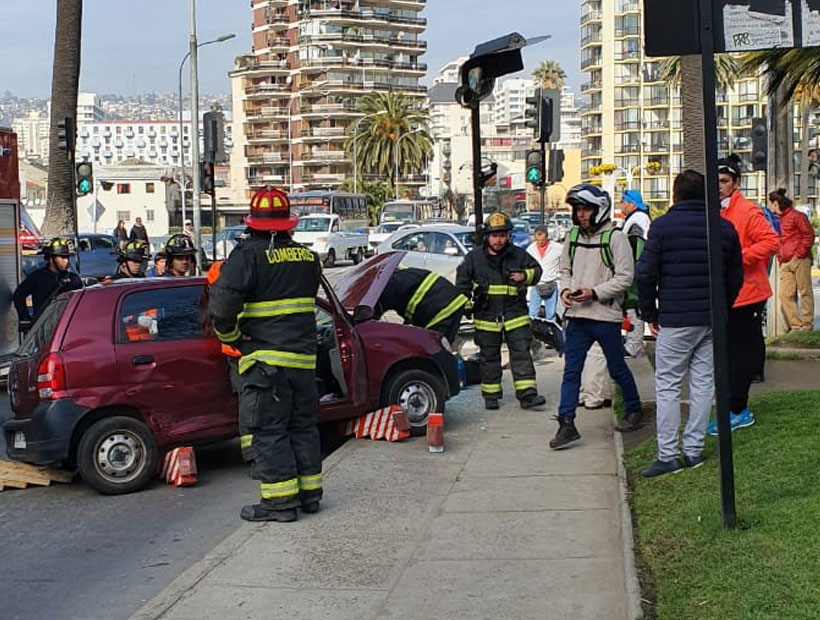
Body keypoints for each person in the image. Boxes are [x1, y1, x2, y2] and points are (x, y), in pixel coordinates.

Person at [209, 186, 323, 523]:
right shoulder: (308, 258)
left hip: (265, 363)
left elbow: (221, 306)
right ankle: (309, 496)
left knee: (268, 432)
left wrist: (234, 339)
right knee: (302, 428)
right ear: (289, 224)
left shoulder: (247, 258)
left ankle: (280, 504)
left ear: (252, 224)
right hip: (303, 363)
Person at [636, 170, 743, 477]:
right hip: (712, 319)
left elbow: (645, 275)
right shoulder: (724, 228)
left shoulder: (662, 227)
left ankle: (668, 455)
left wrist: (649, 314)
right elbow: (735, 276)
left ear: (675, 195)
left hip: (676, 318)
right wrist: (722, 307)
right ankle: (693, 451)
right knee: (702, 383)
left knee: (668, 383)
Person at [550, 184, 643, 450]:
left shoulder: (615, 237)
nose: (581, 214)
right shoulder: (573, 235)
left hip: (605, 316)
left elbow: (625, 277)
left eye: (586, 209)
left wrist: (595, 292)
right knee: (571, 372)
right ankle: (566, 422)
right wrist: (566, 290)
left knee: (617, 367)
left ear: (599, 209)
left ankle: (634, 409)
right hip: (577, 316)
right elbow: (564, 269)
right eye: (577, 209)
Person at [705, 154, 780, 435]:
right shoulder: (715, 210)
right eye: (715, 181)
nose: (719, 186)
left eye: (724, 181)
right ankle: (732, 405)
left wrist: (739, 257)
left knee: (740, 352)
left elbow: (771, 241)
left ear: (735, 183)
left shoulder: (747, 211)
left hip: (748, 293)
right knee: (727, 352)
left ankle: (739, 409)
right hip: (727, 292)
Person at [455, 211, 546, 410]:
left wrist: (525, 276)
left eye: (503, 235)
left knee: (522, 353)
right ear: (487, 236)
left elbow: (537, 271)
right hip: (486, 316)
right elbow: (462, 284)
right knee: (489, 357)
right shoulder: (474, 258)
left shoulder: (518, 254)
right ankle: (491, 395)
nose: (499, 240)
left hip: (515, 315)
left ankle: (528, 395)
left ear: (508, 236)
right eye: (495, 235)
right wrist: (467, 306)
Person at [374, 266, 468, 345]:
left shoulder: (385, 288)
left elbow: (373, 317)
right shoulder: (400, 276)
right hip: (452, 301)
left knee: (433, 348)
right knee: (443, 345)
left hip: (442, 309)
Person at [768, 189, 814, 332]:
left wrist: (799, 253)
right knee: (784, 294)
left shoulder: (797, 216)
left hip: (799, 258)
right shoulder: (777, 220)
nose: (768, 207)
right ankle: (796, 324)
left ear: (776, 203)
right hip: (785, 260)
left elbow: (808, 235)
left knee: (805, 291)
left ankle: (807, 324)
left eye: (769, 203)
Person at [13, 237, 83, 331]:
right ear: (51, 258)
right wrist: (25, 318)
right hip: (44, 329)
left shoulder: (74, 279)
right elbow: (19, 295)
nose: (66, 261)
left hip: (68, 329)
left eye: (67, 257)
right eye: (62, 257)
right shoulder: (38, 277)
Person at [619, 189, 651, 357]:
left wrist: (630, 272)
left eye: (623, 202)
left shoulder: (637, 221)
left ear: (631, 203)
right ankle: (633, 342)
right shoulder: (637, 219)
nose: (621, 205)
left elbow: (636, 248)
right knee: (631, 307)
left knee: (634, 307)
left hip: (634, 274)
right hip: (634, 271)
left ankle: (634, 345)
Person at [526, 225, 562, 321]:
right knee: (532, 314)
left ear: (546, 237)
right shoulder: (530, 249)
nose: (539, 243)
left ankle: (552, 334)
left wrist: (561, 269)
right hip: (536, 285)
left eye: (542, 240)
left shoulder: (557, 248)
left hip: (551, 284)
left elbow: (567, 260)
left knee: (551, 315)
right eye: (537, 240)